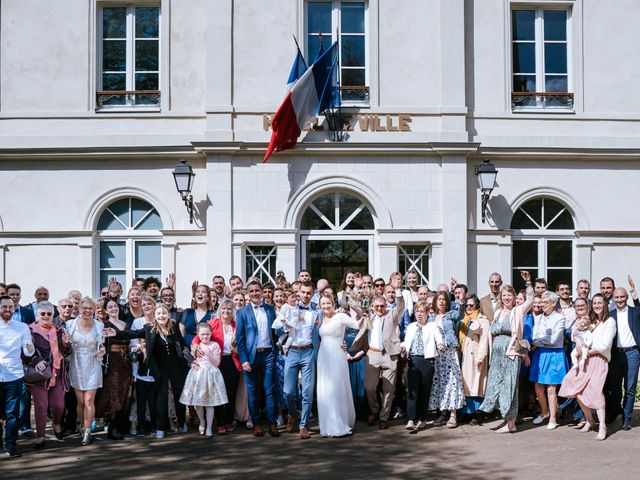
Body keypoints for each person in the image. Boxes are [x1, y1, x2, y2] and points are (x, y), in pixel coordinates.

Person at [106, 304, 192, 439]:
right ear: (155, 316)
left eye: (164, 313)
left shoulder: (174, 327)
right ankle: (160, 427)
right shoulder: (149, 329)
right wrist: (116, 333)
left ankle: (181, 422)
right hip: (160, 368)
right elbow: (133, 334)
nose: (161, 316)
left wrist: (191, 360)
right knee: (162, 398)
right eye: (159, 314)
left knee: (179, 395)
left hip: (176, 366)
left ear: (168, 315)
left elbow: (182, 344)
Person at [479, 271, 533, 433]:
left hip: (510, 354)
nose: (507, 298)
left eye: (510, 295)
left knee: (509, 387)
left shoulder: (517, 311)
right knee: (496, 386)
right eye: (504, 295)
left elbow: (530, 300)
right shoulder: (497, 313)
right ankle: (506, 419)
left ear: (514, 297)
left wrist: (528, 283)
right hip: (496, 355)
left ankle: (511, 424)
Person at [559, 294, 616, 440]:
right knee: (576, 389)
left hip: (598, 360)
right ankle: (590, 420)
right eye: (595, 303)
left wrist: (587, 351)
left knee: (596, 392)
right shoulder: (589, 321)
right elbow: (577, 334)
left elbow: (605, 345)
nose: (597, 305)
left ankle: (602, 426)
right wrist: (578, 344)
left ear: (605, 305)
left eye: (600, 303)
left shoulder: (609, 322)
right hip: (584, 360)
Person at [351, 275, 404, 430]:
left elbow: (400, 305)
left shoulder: (392, 314)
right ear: (372, 307)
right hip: (372, 355)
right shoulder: (368, 315)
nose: (380, 308)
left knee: (389, 390)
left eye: (382, 306)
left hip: (389, 355)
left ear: (385, 306)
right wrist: (357, 287)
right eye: (377, 306)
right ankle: (374, 410)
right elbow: (353, 303)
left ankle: (384, 417)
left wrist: (398, 289)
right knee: (369, 387)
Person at [235, 280, 280, 437]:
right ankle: (256, 424)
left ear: (262, 292)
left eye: (257, 290)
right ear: (248, 293)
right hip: (251, 357)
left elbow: (274, 332)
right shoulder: (242, 312)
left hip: (268, 354)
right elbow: (240, 339)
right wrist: (244, 359)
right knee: (252, 392)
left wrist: (276, 350)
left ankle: (273, 423)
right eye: (252, 291)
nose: (255, 293)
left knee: (269, 390)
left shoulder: (270, 309)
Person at [24, 301, 72, 449]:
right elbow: (24, 353)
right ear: (37, 315)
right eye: (42, 313)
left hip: (57, 374)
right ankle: (40, 437)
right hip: (40, 376)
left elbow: (67, 352)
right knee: (41, 406)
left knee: (58, 405)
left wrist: (66, 344)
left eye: (49, 314)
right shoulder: (30, 330)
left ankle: (56, 423)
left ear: (53, 315)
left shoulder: (58, 330)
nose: (46, 316)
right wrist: (35, 360)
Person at [275, 282, 320, 439]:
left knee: (307, 391)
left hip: (309, 351)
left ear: (313, 294)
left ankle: (304, 425)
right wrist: (286, 326)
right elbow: (277, 329)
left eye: (309, 293)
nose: (306, 295)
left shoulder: (317, 310)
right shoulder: (289, 307)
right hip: (292, 352)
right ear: (298, 293)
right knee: (288, 391)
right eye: (303, 292)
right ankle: (293, 414)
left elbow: (324, 329)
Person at [316, 293, 364, 437]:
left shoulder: (341, 316)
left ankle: (339, 425)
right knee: (325, 390)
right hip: (323, 356)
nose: (325, 306)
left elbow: (356, 325)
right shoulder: (320, 318)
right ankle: (327, 425)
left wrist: (362, 313)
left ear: (333, 303)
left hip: (337, 355)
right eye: (323, 303)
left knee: (336, 389)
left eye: (328, 303)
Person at [192, 299, 242, 434]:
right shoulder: (213, 323)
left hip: (232, 360)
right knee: (218, 392)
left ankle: (229, 420)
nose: (226, 311)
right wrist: (195, 345)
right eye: (224, 309)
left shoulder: (237, 325)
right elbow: (199, 335)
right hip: (215, 362)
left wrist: (236, 350)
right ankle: (220, 423)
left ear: (233, 312)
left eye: (229, 309)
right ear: (220, 310)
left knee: (231, 393)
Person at [65, 297, 106, 445]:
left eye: (90, 308)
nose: (87, 311)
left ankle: (88, 431)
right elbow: (65, 345)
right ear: (80, 309)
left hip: (93, 363)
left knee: (89, 400)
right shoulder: (70, 324)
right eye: (85, 308)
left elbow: (101, 345)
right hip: (76, 364)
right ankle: (82, 426)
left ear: (94, 310)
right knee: (80, 401)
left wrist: (102, 351)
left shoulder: (100, 325)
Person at [0, 294, 35, 458]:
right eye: (4, 307)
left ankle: (11, 445)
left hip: (14, 375)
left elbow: (29, 351)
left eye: (10, 307)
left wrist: (29, 348)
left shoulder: (22, 327)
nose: (8, 309)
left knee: (12, 413)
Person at [401, 300, 443, 432]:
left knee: (425, 391)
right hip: (413, 360)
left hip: (427, 361)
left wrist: (440, 345)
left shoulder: (432, 326)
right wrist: (403, 349)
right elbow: (406, 342)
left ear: (427, 314)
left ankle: (422, 418)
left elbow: (438, 337)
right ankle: (411, 419)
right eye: (417, 311)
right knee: (413, 390)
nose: (419, 314)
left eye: (422, 312)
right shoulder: (411, 326)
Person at [529, 291, 569, 430]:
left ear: (553, 303)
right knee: (538, 388)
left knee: (551, 389)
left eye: (545, 302)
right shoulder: (538, 318)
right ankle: (544, 411)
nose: (542, 305)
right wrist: (542, 340)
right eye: (542, 302)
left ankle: (553, 417)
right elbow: (534, 337)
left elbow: (554, 339)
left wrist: (540, 341)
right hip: (540, 355)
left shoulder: (559, 318)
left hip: (554, 355)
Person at [181, 323, 228, 439]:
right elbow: (191, 360)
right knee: (199, 403)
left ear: (211, 333)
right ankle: (202, 421)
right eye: (202, 334)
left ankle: (209, 428)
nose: (205, 336)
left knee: (210, 403)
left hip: (211, 375)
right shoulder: (196, 345)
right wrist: (193, 351)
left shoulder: (215, 345)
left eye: (207, 334)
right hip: (197, 375)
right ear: (198, 334)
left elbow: (216, 363)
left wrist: (208, 354)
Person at [95, 298, 132, 440]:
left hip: (126, 361)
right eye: (110, 307)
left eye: (115, 306)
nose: (113, 309)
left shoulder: (126, 324)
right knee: (114, 393)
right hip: (113, 360)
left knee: (126, 393)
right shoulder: (104, 324)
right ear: (105, 311)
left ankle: (122, 426)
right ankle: (113, 427)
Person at [428, 291, 464, 428]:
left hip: (450, 352)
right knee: (440, 382)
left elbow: (460, 314)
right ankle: (442, 413)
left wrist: (460, 301)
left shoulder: (451, 314)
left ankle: (453, 414)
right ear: (435, 302)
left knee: (452, 381)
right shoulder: (431, 318)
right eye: (439, 299)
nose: (442, 302)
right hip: (437, 355)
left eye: (444, 299)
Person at [606, 287, 640, 430]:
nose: (619, 300)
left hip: (633, 353)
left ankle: (626, 419)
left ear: (626, 297)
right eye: (617, 297)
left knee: (630, 387)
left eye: (622, 297)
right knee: (614, 387)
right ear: (613, 299)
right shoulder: (610, 314)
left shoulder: (634, 312)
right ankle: (614, 413)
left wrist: (634, 294)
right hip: (616, 354)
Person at [459, 294, 491, 425]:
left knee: (476, 384)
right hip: (464, 355)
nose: (469, 308)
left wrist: (481, 357)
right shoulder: (463, 319)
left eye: (471, 305)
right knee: (465, 384)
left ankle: (476, 414)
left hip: (475, 356)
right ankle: (465, 413)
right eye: (466, 305)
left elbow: (484, 341)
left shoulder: (483, 320)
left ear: (477, 306)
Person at [129, 295, 157, 436]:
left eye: (149, 304)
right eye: (144, 305)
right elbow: (133, 342)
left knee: (153, 401)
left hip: (155, 368)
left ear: (154, 306)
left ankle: (153, 426)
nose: (146, 307)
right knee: (140, 401)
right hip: (140, 367)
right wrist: (139, 346)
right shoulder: (137, 322)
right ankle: (140, 427)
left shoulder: (159, 321)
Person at [274, 289, 300, 355]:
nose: (294, 299)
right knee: (289, 334)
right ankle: (283, 345)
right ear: (286, 299)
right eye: (292, 297)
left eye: (295, 297)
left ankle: (283, 344)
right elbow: (281, 314)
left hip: (292, 323)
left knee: (289, 334)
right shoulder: (285, 306)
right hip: (286, 322)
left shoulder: (295, 306)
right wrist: (283, 320)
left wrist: (300, 318)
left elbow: (296, 314)